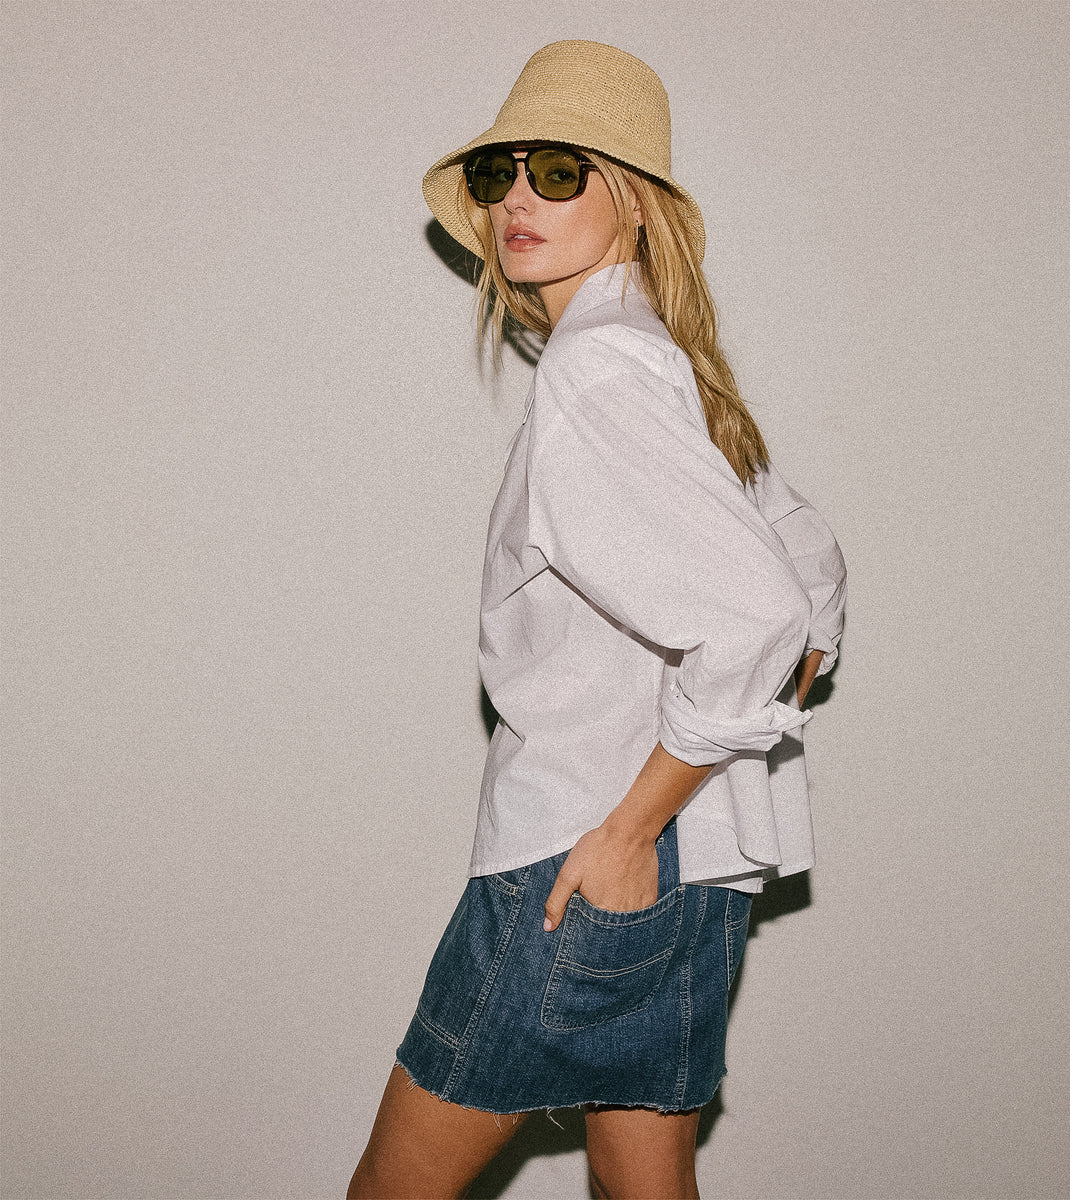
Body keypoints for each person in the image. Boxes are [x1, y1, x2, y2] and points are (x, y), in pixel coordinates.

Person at [348, 40, 846, 1200]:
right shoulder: (660, 362)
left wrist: (629, 829)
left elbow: (760, 613)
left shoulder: (601, 366)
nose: (517, 199)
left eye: (559, 170)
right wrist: (773, 680)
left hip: (584, 860)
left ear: (633, 201)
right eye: (498, 175)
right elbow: (808, 571)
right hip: (694, 873)